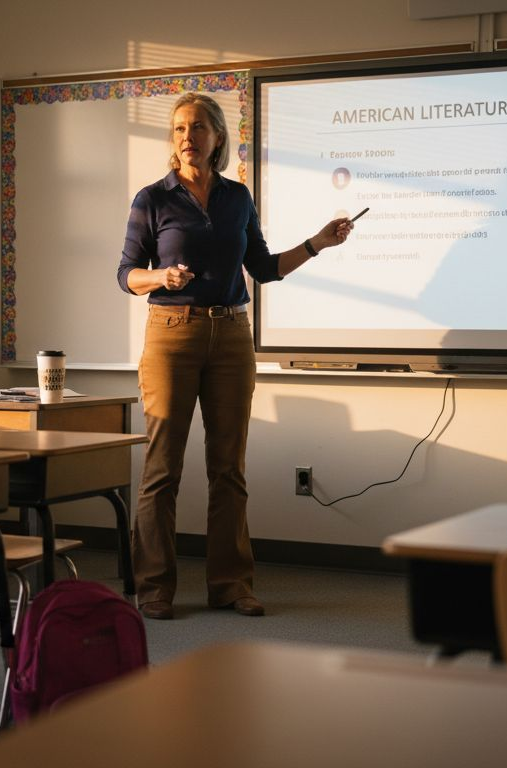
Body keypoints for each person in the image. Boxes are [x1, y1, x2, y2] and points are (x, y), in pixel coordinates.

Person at [116, 92, 353, 620]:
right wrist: (161, 276)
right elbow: (126, 273)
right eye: (179, 128)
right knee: (162, 468)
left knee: (228, 469)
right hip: (171, 333)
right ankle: (154, 586)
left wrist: (317, 243)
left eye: (198, 127)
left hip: (230, 337)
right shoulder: (152, 198)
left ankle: (230, 584)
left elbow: (264, 268)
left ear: (217, 137)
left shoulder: (237, 198)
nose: (187, 136)